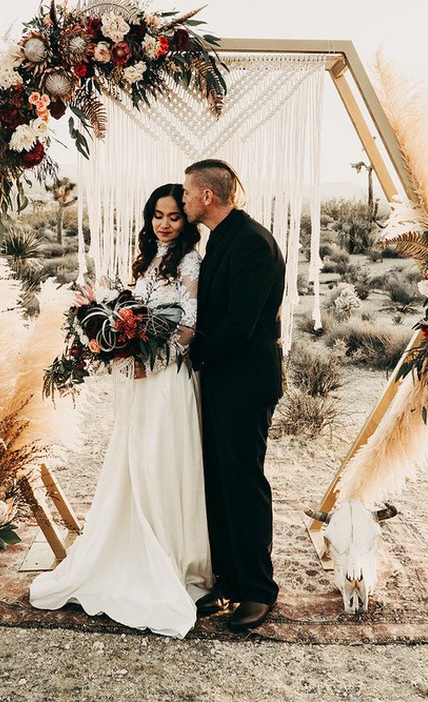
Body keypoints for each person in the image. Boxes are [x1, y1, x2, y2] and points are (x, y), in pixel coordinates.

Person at [30, 184, 213, 639]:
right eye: (157, 215)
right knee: (133, 459)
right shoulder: (149, 259)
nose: (164, 223)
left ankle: (169, 552)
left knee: (160, 460)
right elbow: (138, 313)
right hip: (138, 379)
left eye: (173, 216)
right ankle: (123, 544)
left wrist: (150, 362)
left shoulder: (190, 262)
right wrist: (115, 341)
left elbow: (189, 325)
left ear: (186, 221)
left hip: (166, 381)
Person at [182, 160, 286, 632]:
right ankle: (225, 579)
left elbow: (240, 326)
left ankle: (257, 591)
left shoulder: (252, 243)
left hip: (245, 381)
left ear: (207, 196)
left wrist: (189, 354)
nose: (182, 201)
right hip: (223, 379)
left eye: (187, 193)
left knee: (242, 483)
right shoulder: (220, 237)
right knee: (218, 480)